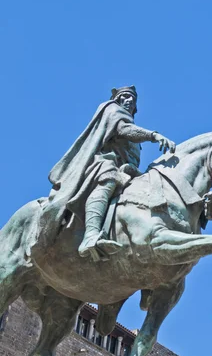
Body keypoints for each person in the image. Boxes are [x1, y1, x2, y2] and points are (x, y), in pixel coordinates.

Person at [48, 85, 175, 260]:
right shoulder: (113, 110)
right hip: (103, 164)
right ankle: (90, 235)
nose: (130, 100)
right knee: (109, 178)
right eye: (126, 96)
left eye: (133, 99)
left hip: (125, 171)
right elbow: (124, 130)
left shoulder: (134, 138)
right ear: (118, 99)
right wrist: (153, 135)